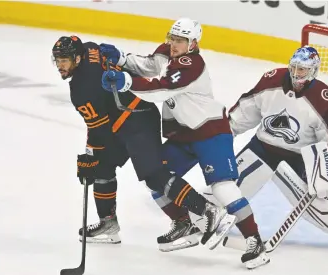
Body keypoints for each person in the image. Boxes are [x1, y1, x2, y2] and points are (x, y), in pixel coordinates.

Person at [100, 18, 269, 269]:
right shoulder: (167, 52)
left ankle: (255, 241)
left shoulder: (192, 64)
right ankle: (184, 224)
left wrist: (126, 80)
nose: (174, 44)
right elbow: (149, 65)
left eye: (180, 41)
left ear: (193, 43)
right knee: (155, 176)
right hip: (182, 135)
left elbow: (162, 89)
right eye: (172, 38)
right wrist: (123, 58)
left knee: (222, 187)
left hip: (210, 131)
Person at [52, 35, 234, 249]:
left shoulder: (81, 90)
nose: (60, 66)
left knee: (155, 175)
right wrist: (94, 158)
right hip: (122, 120)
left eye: (64, 60)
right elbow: (103, 55)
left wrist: (88, 157)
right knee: (102, 167)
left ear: (78, 58)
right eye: (57, 60)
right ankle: (108, 224)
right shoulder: (90, 49)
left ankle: (208, 210)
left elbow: (98, 130)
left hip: (138, 119)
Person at [228, 45, 328, 254]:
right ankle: (200, 218)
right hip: (262, 147)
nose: (296, 74)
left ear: (313, 71)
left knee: (316, 200)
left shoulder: (325, 99)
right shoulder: (271, 81)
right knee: (227, 187)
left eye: (302, 70)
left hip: (298, 158)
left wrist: (323, 168)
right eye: (294, 68)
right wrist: (224, 132)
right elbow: (247, 109)